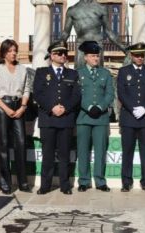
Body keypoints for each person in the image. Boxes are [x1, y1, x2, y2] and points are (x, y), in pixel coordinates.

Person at [33, 41, 81, 195]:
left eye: (65, 53)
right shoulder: (41, 72)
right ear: (52, 56)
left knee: (64, 155)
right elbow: (38, 94)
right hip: (48, 119)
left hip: (65, 119)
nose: (63, 56)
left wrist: (65, 108)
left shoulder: (72, 74)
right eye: (59, 53)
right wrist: (52, 108)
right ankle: (45, 186)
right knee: (47, 155)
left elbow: (76, 95)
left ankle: (65, 185)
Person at [0, 39, 31, 194]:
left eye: (15, 50)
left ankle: (22, 181)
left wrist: (23, 107)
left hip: (19, 106)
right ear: (4, 52)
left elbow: (26, 89)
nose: (13, 53)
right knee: (3, 144)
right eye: (10, 51)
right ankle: (5, 182)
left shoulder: (22, 69)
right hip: (2, 106)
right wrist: (6, 109)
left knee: (20, 143)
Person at [117, 42, 145, 193]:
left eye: (142, 55)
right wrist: (133, 108)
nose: (140, 58)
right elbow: (121, 93)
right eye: (136, 55)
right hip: (128, 118)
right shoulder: (123, 72)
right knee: (127, 151)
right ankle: (126, 182)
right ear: (131, 56)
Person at [75, 41, 114, 192]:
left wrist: (101, 107)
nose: (96, 59)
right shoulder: (78, 73)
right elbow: (77, 94)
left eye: (97, 56)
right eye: (92, 56)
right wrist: (89, 107)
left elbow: (110, 93)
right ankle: (84, 181)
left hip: (101, 118)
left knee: (100, 151)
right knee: (83, 150)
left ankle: (100, 181)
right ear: (85, 57)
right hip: (84, 117)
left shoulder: (105, 73)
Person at [59, 0, 127, 68]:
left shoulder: (101, 8)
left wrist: (124, 49)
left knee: (98, 74)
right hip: (81, 47)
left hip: (97, 45)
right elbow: (66, 33)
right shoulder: (72, 10)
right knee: (79, 74)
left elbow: (109, 32)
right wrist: (55, 47)